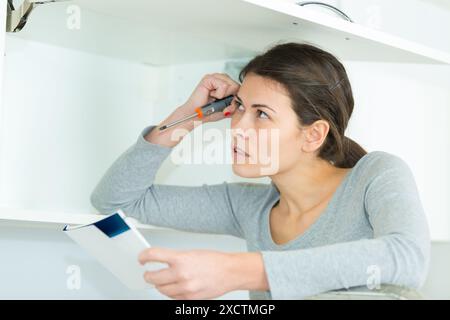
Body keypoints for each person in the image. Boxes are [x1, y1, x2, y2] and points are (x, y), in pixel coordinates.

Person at [90, 42, 430, 300]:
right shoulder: (247, 206)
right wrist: (188, 115)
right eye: (239, 107)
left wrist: (239, 271)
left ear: (313, 134)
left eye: (262, 114)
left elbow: (407, 259)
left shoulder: (375, 175)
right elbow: (115, 201)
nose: (238, 126)